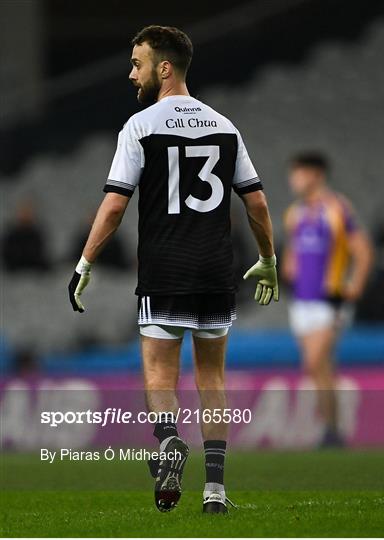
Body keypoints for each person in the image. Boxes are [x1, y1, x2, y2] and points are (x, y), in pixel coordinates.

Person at [68, 25, 278, 513]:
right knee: (214, 379)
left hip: (164, 267)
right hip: (215, 270)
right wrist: (268, 260)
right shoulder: (225, 127)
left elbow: (116, 206)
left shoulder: (139, 126)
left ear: (164, 68)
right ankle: (216, 492)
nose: (131, 73)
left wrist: (85, 262)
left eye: (137, 63)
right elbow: (258, 203)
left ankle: (167, 443)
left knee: (160, 372)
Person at [282, 153, 373, 447]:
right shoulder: (295, 213)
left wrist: (355, 285)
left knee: (314, 361)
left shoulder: (337, 209)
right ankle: (332, 431)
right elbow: (291, 255)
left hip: (329, 300)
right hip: (302, 301)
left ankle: (329, 428)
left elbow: (363, 251)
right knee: (320, 370)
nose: (293, 179)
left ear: (316, 174)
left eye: (298, 173)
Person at [1, 200, 51, 272]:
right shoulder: (12, 234)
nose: (25, 215)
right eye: (23, 213)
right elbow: (7, 254)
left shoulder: (36, 233)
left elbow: (41, 252)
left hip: (33, 265)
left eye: (28, 213)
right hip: (15, 266)